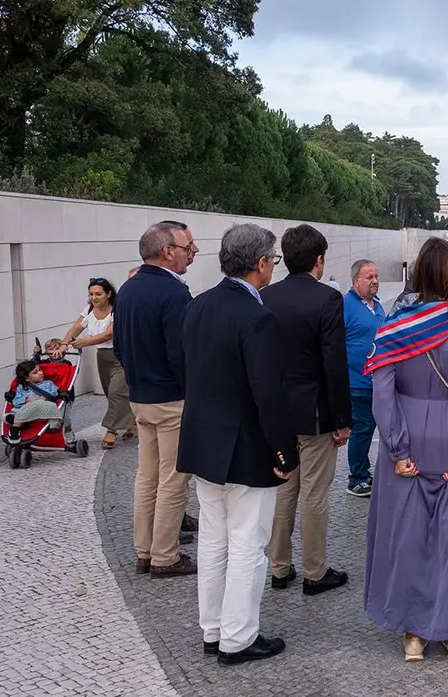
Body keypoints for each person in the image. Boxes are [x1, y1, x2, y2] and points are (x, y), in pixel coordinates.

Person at [364, 237, 448, 663]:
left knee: (408, 537)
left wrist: (397, 446)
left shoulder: (394, 326)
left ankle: (414, 633)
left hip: (408, 436)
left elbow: (381, 394)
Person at [177, 223, 299, 666]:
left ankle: (213, 630)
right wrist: (285, 453)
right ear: (261, 263)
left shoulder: (198, 306)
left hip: (205, 442)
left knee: (213, 541)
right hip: (246, 446)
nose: (273, 268)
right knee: (247, 544)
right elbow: (270, 395)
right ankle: (238, 638)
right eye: (274, 261)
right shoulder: (257, 317)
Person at [261, 224, 353, 596]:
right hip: (315, 412)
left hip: (278, 410)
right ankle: (315, 570)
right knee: (315, 493)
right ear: (319, 260)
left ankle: (279, 566)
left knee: (284, 489)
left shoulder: (265, 297)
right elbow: (334, 362)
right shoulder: (327, 300)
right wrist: (342, 419)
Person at [114, 220, 200, 577]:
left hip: (141, 398)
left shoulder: (129, 289)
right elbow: (181, 353)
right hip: (170, 400)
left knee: (147, 477)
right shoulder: (174, 293)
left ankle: (144, 551)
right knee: (173, 479)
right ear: (168, 251)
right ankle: (164, 555)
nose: (191, 254)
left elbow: (119, 347)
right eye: (187, 248)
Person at [56, 278, 134, 449]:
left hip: (120, 356)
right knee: (110, 393)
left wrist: (85, 342)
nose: (94, 297)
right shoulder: (89, 310)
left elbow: (109, 334)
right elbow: (76, 327)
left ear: (108, 294)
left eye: (98, 294)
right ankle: (133, 422)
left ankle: (111, 431)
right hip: (102, 357)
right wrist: (63, 344)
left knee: (116, 393)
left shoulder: (116, 310)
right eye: (91, 294)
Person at [344, 260, 386, 497]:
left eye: (376, 276)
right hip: (357, 382)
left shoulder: (378, 305)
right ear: (355, 281)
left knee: (372, 429)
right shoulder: (345, 305)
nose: (375, 281)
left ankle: (364, 471)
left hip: (378, 380)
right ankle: (356, 478)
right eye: (369, 277)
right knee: (361, 429)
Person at [9, 360, 72, 434]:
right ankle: (13, 419)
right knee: (17, 409)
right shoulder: (21, 388)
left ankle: (53, 425)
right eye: (35, 372)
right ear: (27, 378)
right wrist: (26, 399)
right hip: (28, 409)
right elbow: (16, 401)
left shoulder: (48, 383)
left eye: (40, 370)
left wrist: (45, 397)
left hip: (43, 408)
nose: (40, 373)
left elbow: (55, 394)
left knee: (54, 408)